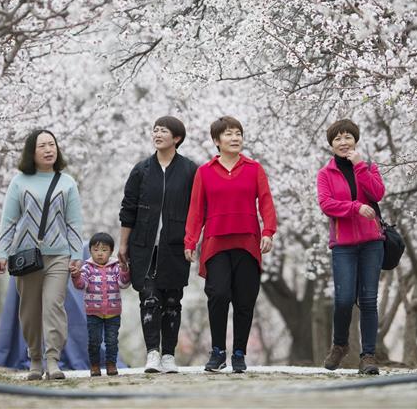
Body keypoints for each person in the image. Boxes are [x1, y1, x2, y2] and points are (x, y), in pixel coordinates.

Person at [184, 116, 278, 374]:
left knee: (245, 299)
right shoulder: (204, 172)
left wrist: (268, 231)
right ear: (216, 141)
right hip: (216, 243)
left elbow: (266, 202)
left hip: (248, 242)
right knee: (218, 295)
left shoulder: (254, 168)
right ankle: (217, 352)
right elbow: (195, 210)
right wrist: (190, 240)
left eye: (238, 133)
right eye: (228, 134)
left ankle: (239, 352)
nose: (235, 138)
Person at [0, 129, 84, 380]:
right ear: (31, 152)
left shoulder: (67, 182)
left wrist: (76, 254)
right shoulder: (19, 181)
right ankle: (35, 359)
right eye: (42, 146)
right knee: (29, 310)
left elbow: (74, 222)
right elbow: (9, 221)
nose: (48, 149)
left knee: (54, 306)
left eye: (52, 144)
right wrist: (2, 252)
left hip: (59, 255)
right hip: (26, 257)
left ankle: (53, 360)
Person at [118, 116, 198, 373]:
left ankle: (168, 356)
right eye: (155, 130)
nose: (158, 134)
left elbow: (198, 209)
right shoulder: (141, 170)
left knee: (173, 301)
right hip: (144, 246)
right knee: (149, 300)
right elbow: (128, 209)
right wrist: (123, 244)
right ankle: (152, 352)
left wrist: (192, 239)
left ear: (177, 138)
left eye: (164, 130)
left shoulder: (189, 170)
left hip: (175, 245)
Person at [317, 119, 386, 375]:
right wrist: (356, 207)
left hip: (372, 243)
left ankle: (368, 356)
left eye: (347, 137)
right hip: (343, 245)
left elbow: (377, 193)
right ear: (331, 145)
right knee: (344, 299)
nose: (343, 142)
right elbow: (326, 204)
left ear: (355, 140)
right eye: (337, 139)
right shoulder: (325, 174)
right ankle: (340, 344)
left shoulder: (368, 167)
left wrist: (359, 167)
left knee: (368, 300)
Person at [71, 232, 131, 376]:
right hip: (93, 312)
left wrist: (124, 270)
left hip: (113, 312)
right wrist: (76, 275)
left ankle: (111, 364)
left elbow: (123, 284)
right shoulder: (87, 268)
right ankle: (95, 365)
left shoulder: (116, 267)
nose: (99, 254)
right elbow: (81, 285)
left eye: (104, 250)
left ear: (111, 251)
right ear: (90, 250)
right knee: (94, 341)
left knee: (111, 341)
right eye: (96, 250)